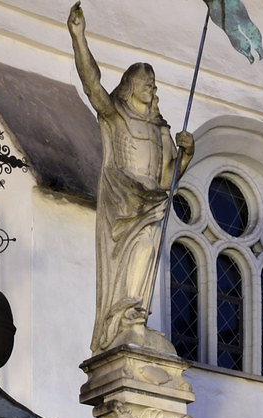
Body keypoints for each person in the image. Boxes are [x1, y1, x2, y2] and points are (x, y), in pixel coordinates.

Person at [69, 3, 193, 354]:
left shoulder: (160, 128)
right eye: (146, 83)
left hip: (152, 200)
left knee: (148, 247)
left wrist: (187, 154)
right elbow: (92, 85)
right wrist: (79, 37)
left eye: (153, 84)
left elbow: (168, 178)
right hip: (124, 198)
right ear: (131, 85)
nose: (152, 88)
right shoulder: (116, 113)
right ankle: (122, 317)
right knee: (133, 251)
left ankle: (134, 315)